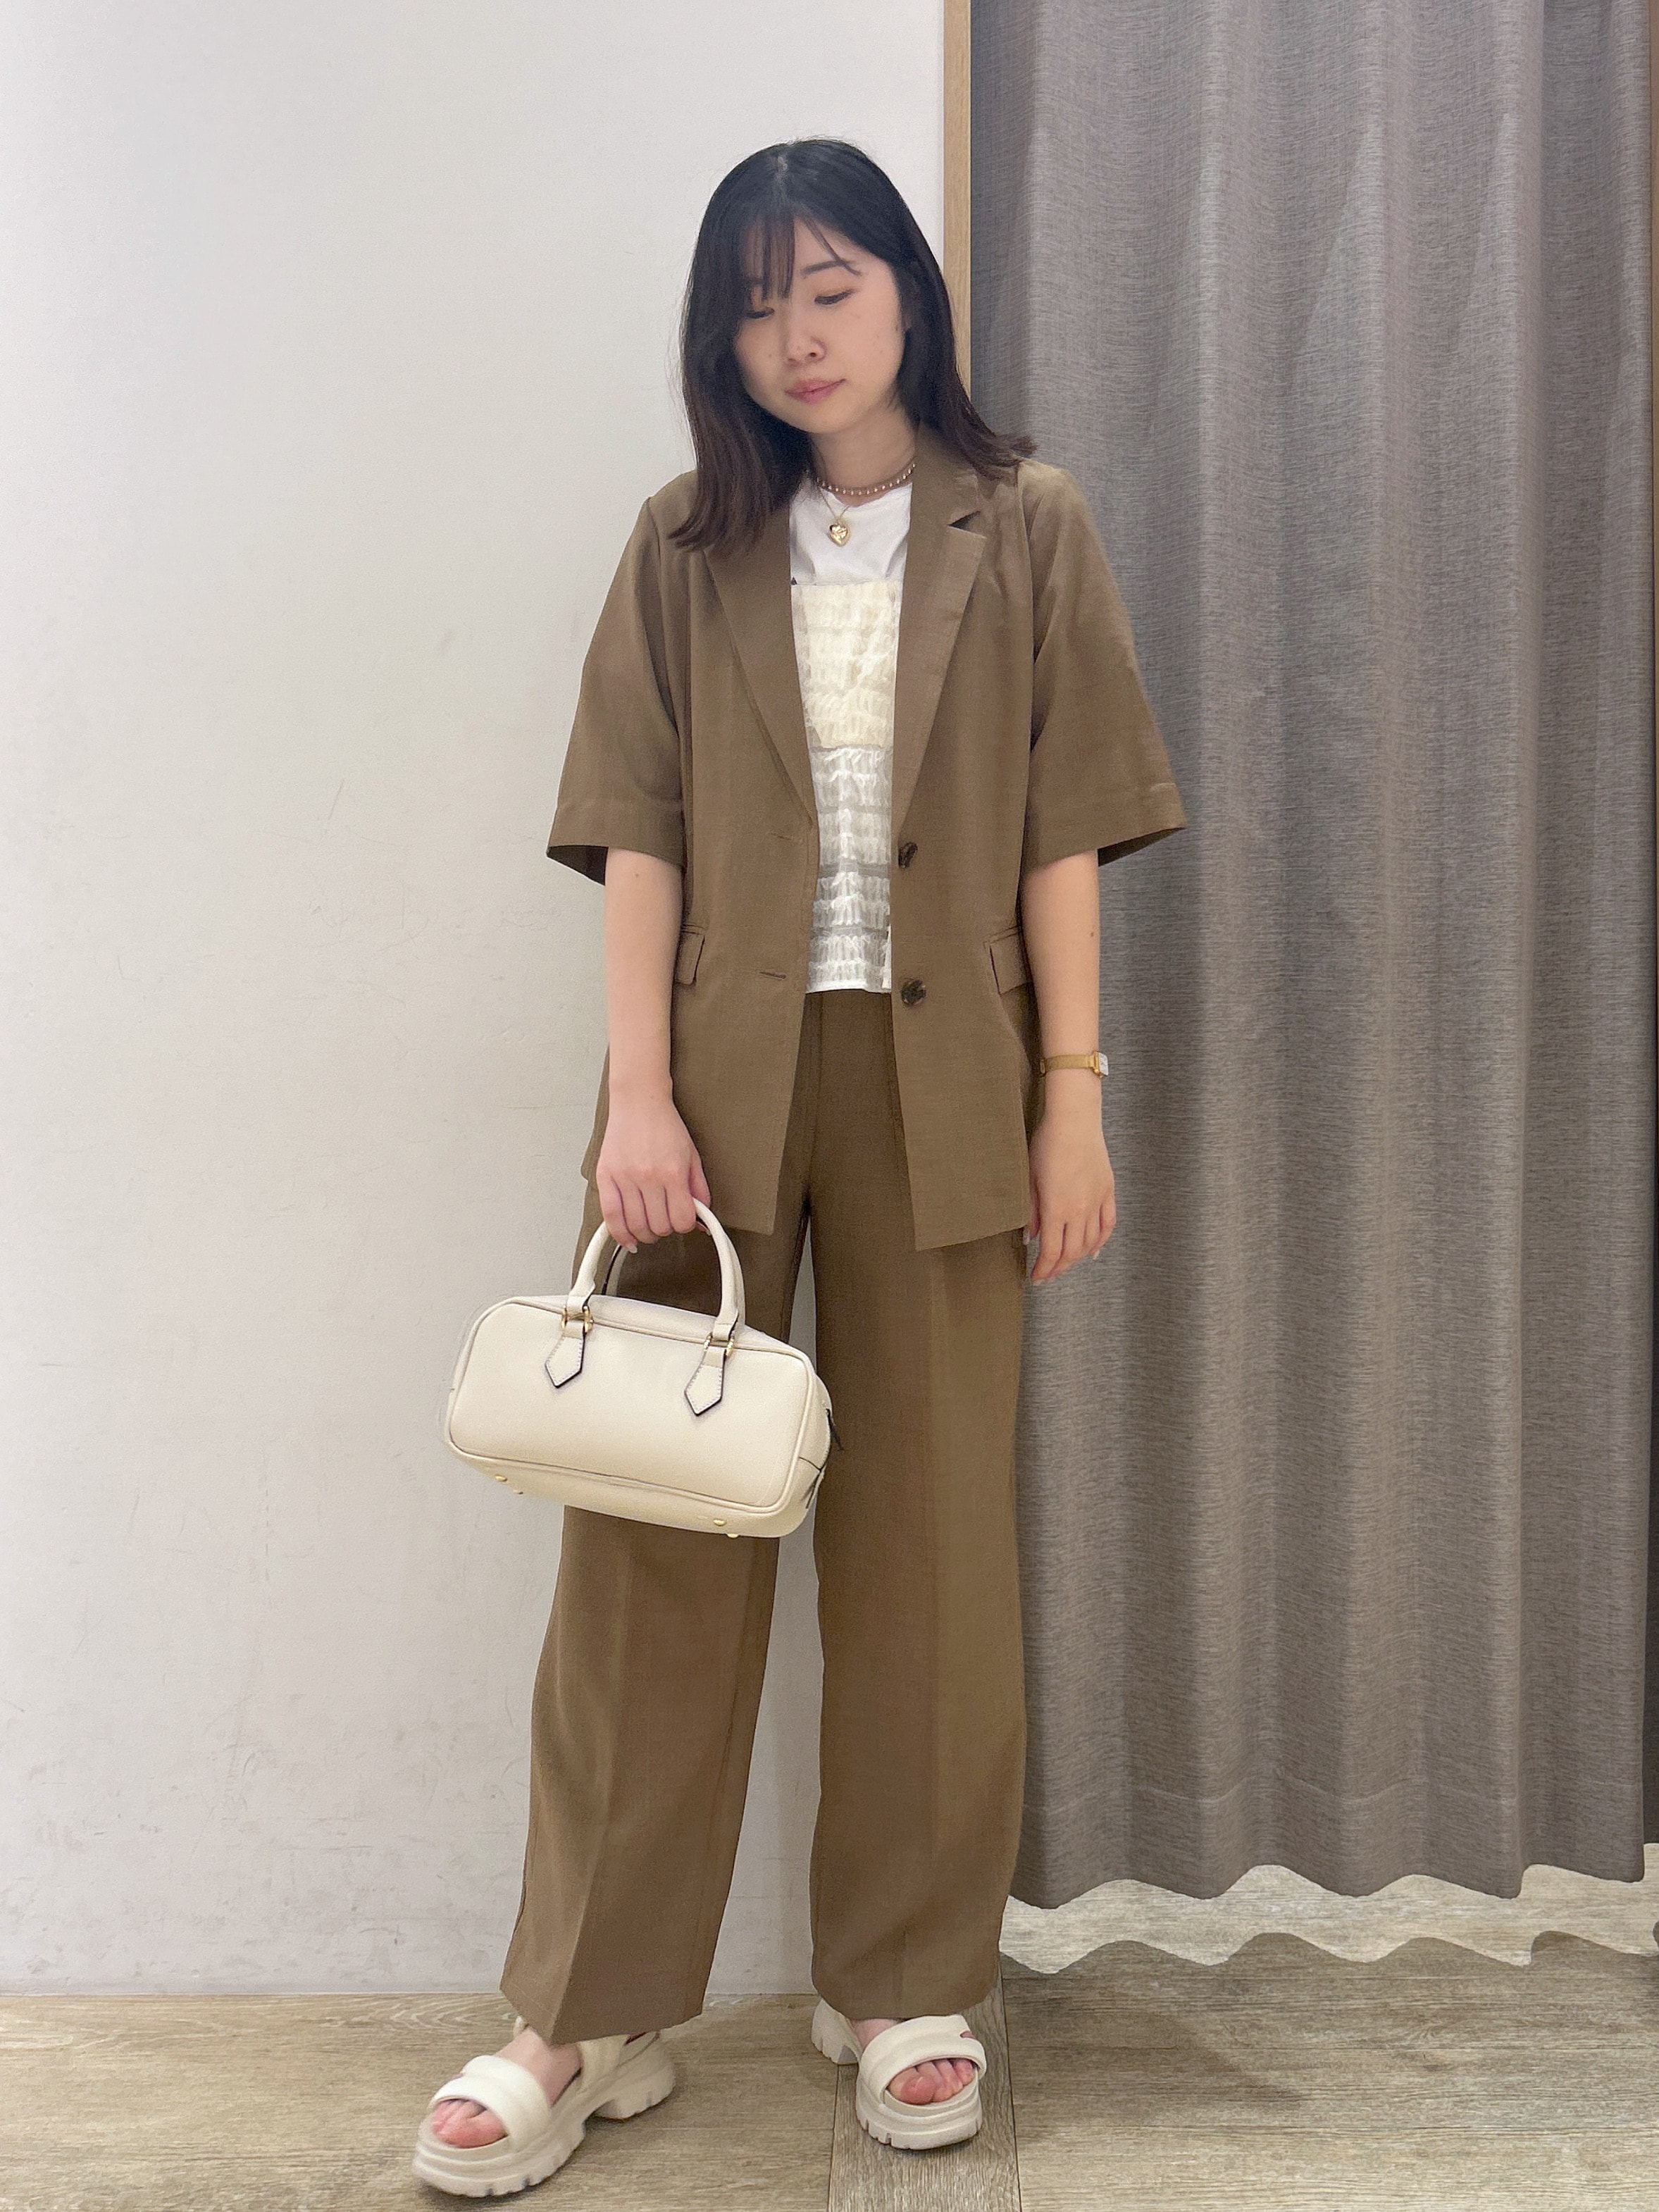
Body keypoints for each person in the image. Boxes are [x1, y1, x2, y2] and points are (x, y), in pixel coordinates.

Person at [412, 137, 1186, 2197]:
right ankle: (584, 2014)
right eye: (755, 307)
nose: (797, 337)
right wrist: (635, 1096)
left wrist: (1074, 1092)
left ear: (906, 291)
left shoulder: (1027, 523)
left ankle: (909, 1985)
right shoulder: (684, 543)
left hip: (952, 1081)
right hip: (712, 1093)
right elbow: (638, 831)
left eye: (829, 287)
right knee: (646, 1546)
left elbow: (1061, 835)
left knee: (930, 1549)